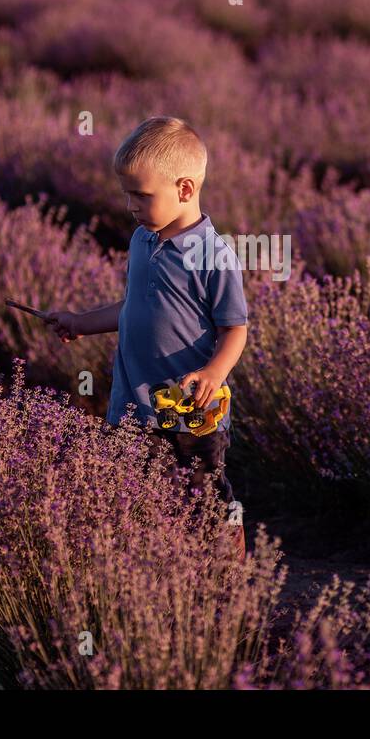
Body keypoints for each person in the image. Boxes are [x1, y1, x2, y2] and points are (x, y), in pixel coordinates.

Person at [43, 116, 248, 560]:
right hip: (135, 400)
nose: (131, 205)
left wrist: (215, 372)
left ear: (185, 190)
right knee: (135, 494)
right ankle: (156, 572)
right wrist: (80, 322)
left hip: (194, 408)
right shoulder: (142, 240)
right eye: (127, 194)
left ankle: (228, 569)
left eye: (141, 195)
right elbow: (134, 307)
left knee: (203, 495)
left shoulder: (213, 255)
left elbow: (236, 328)